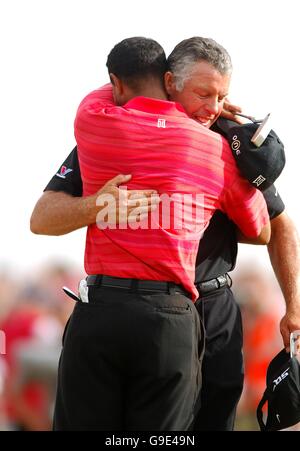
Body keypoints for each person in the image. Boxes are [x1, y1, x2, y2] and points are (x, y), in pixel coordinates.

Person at [29, 37, 282, 431]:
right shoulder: (213, 149)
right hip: (168, 319)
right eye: (204, 93)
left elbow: (278, 225)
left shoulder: (102, 122)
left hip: (153, 310)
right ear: (169, 83)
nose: (214, 108)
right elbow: (262, 229)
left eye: (222, 97)